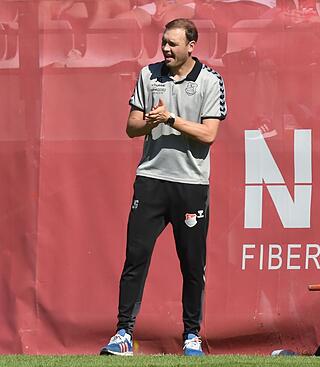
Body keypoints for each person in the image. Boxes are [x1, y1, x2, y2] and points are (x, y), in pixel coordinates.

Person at [99, 18, 227, 357]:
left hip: (190, 185)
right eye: (164, 43)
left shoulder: (210, 81)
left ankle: (191, 336)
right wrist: (151, 121)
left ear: (191, 46)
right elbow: (131, 127)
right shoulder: (148, 74)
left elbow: (209, 134)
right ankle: (123, 333)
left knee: (191, 264)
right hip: (151, 181)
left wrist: (170, 119)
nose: (166, 49)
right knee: (135, 258)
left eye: (173, 44)